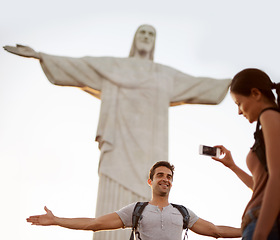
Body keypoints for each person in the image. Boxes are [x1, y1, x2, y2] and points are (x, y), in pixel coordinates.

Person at [4, 24, 230, 240]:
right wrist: (41, 56)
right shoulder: (113, 66)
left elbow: (200, 85)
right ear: (150, 181)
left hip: (150, 143)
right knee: (111, 201)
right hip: (118, 145)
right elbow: (80, 66)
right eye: (141, 32)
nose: (145, 37)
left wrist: (239, 82)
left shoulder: (164, 75)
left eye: (150, 34)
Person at [26, 161, 241, 240]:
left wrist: (251, 231)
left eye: (169, 177)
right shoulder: (137, 210)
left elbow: (215, 231)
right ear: (150, 181)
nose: (165, 179)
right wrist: (57, 220)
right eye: (160, 175)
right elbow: (94, 224)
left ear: (172, 183)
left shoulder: (183, 212)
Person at [211, 68, 280, 240]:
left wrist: (260, 233)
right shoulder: (265, 125)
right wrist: (232, 166)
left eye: (239, 103)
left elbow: (278, 177)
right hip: (258, 223)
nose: (239, 112)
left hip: (263, 224)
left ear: (255, 93)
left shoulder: (269, 115)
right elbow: (260, 187)